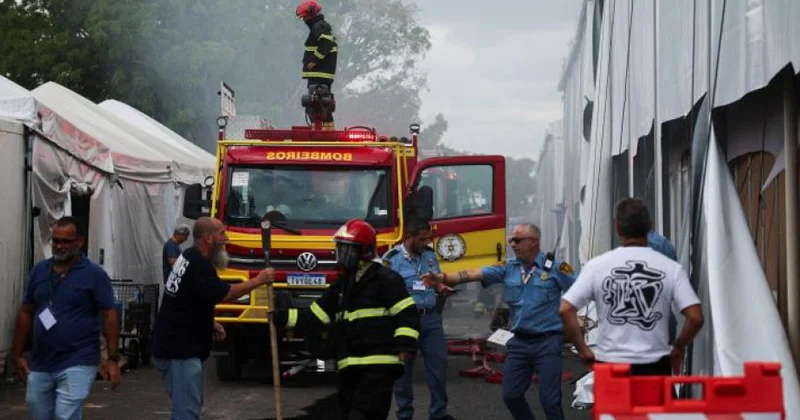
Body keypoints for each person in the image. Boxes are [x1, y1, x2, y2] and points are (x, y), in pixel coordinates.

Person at [422, 223, 577, 420]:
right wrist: (441, 277)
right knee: (511, 395)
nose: (513, 244)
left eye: (518, 240)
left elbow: (580, 289)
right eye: (511, 240)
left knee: (550, 401)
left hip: (547, 342)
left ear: (533, 242)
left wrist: (571, 315)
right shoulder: (508, 269)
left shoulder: (556, 268)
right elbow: (472, 274)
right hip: (520, 343)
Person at [276, 219, 420, 420]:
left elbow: (407, 314)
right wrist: (281, 318)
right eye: (340, 249)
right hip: (349, 369)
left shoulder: (386, 279)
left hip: (378, 368)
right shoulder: (343, 285)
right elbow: (315, 316)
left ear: (364, 252)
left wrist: (404, 344)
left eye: (348, 250)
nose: (342, 256)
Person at [559, 198, 704, 377]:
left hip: (611, 367)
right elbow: (696, 318)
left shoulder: (596, 266)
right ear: (649, 225)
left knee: (614, 406)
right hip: (654, 366)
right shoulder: (671, 268)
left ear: (617, 228)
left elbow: (566, 309)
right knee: (654, 406)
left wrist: (582, 349)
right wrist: (679, 346)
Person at [150, 217, 275, 419]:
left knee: (190, 408)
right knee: (186, 413)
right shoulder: (198, 264)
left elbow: (185, 300)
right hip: (179, 351)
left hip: (176, 347)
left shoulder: (189, 257)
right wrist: (259, 280)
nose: (226, 238)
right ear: (208, 238)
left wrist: (210, 322)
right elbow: (225, 293)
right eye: (222, 233)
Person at [12, 216, 121, 419]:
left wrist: (113, 359)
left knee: (65, 415)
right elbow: (26, 311)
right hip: (42, 361)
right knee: (38, 413)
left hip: (78, 359)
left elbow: (110, 315)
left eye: (65, 241)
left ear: (79, 242)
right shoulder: (39, 271)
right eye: (55, 240)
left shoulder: (94, 275)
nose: (59, 246)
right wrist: (17, 354)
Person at [383, 220, 456, 420]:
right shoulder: (392, 260)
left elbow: (434, 282)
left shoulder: (430, 255)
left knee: (438, 368)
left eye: (427, 239)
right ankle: (405, 415)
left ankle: (439, 414)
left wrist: (441, 288)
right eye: (422, 239)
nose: (426, 243)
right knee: (403, 373)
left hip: (431, 320)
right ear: (408, 236)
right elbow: (385, 292)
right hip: (406, 322)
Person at [296, 0, 338, 125]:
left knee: (317, 104)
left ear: (311, 14)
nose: (304, 20)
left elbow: (326, 43)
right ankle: (325, 130)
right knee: (320, 105)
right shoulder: (319, 26)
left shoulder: (319, 27)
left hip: (320, 74)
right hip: (318, 75)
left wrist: (314, 60)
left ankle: (321, 132)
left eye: (304, 17)